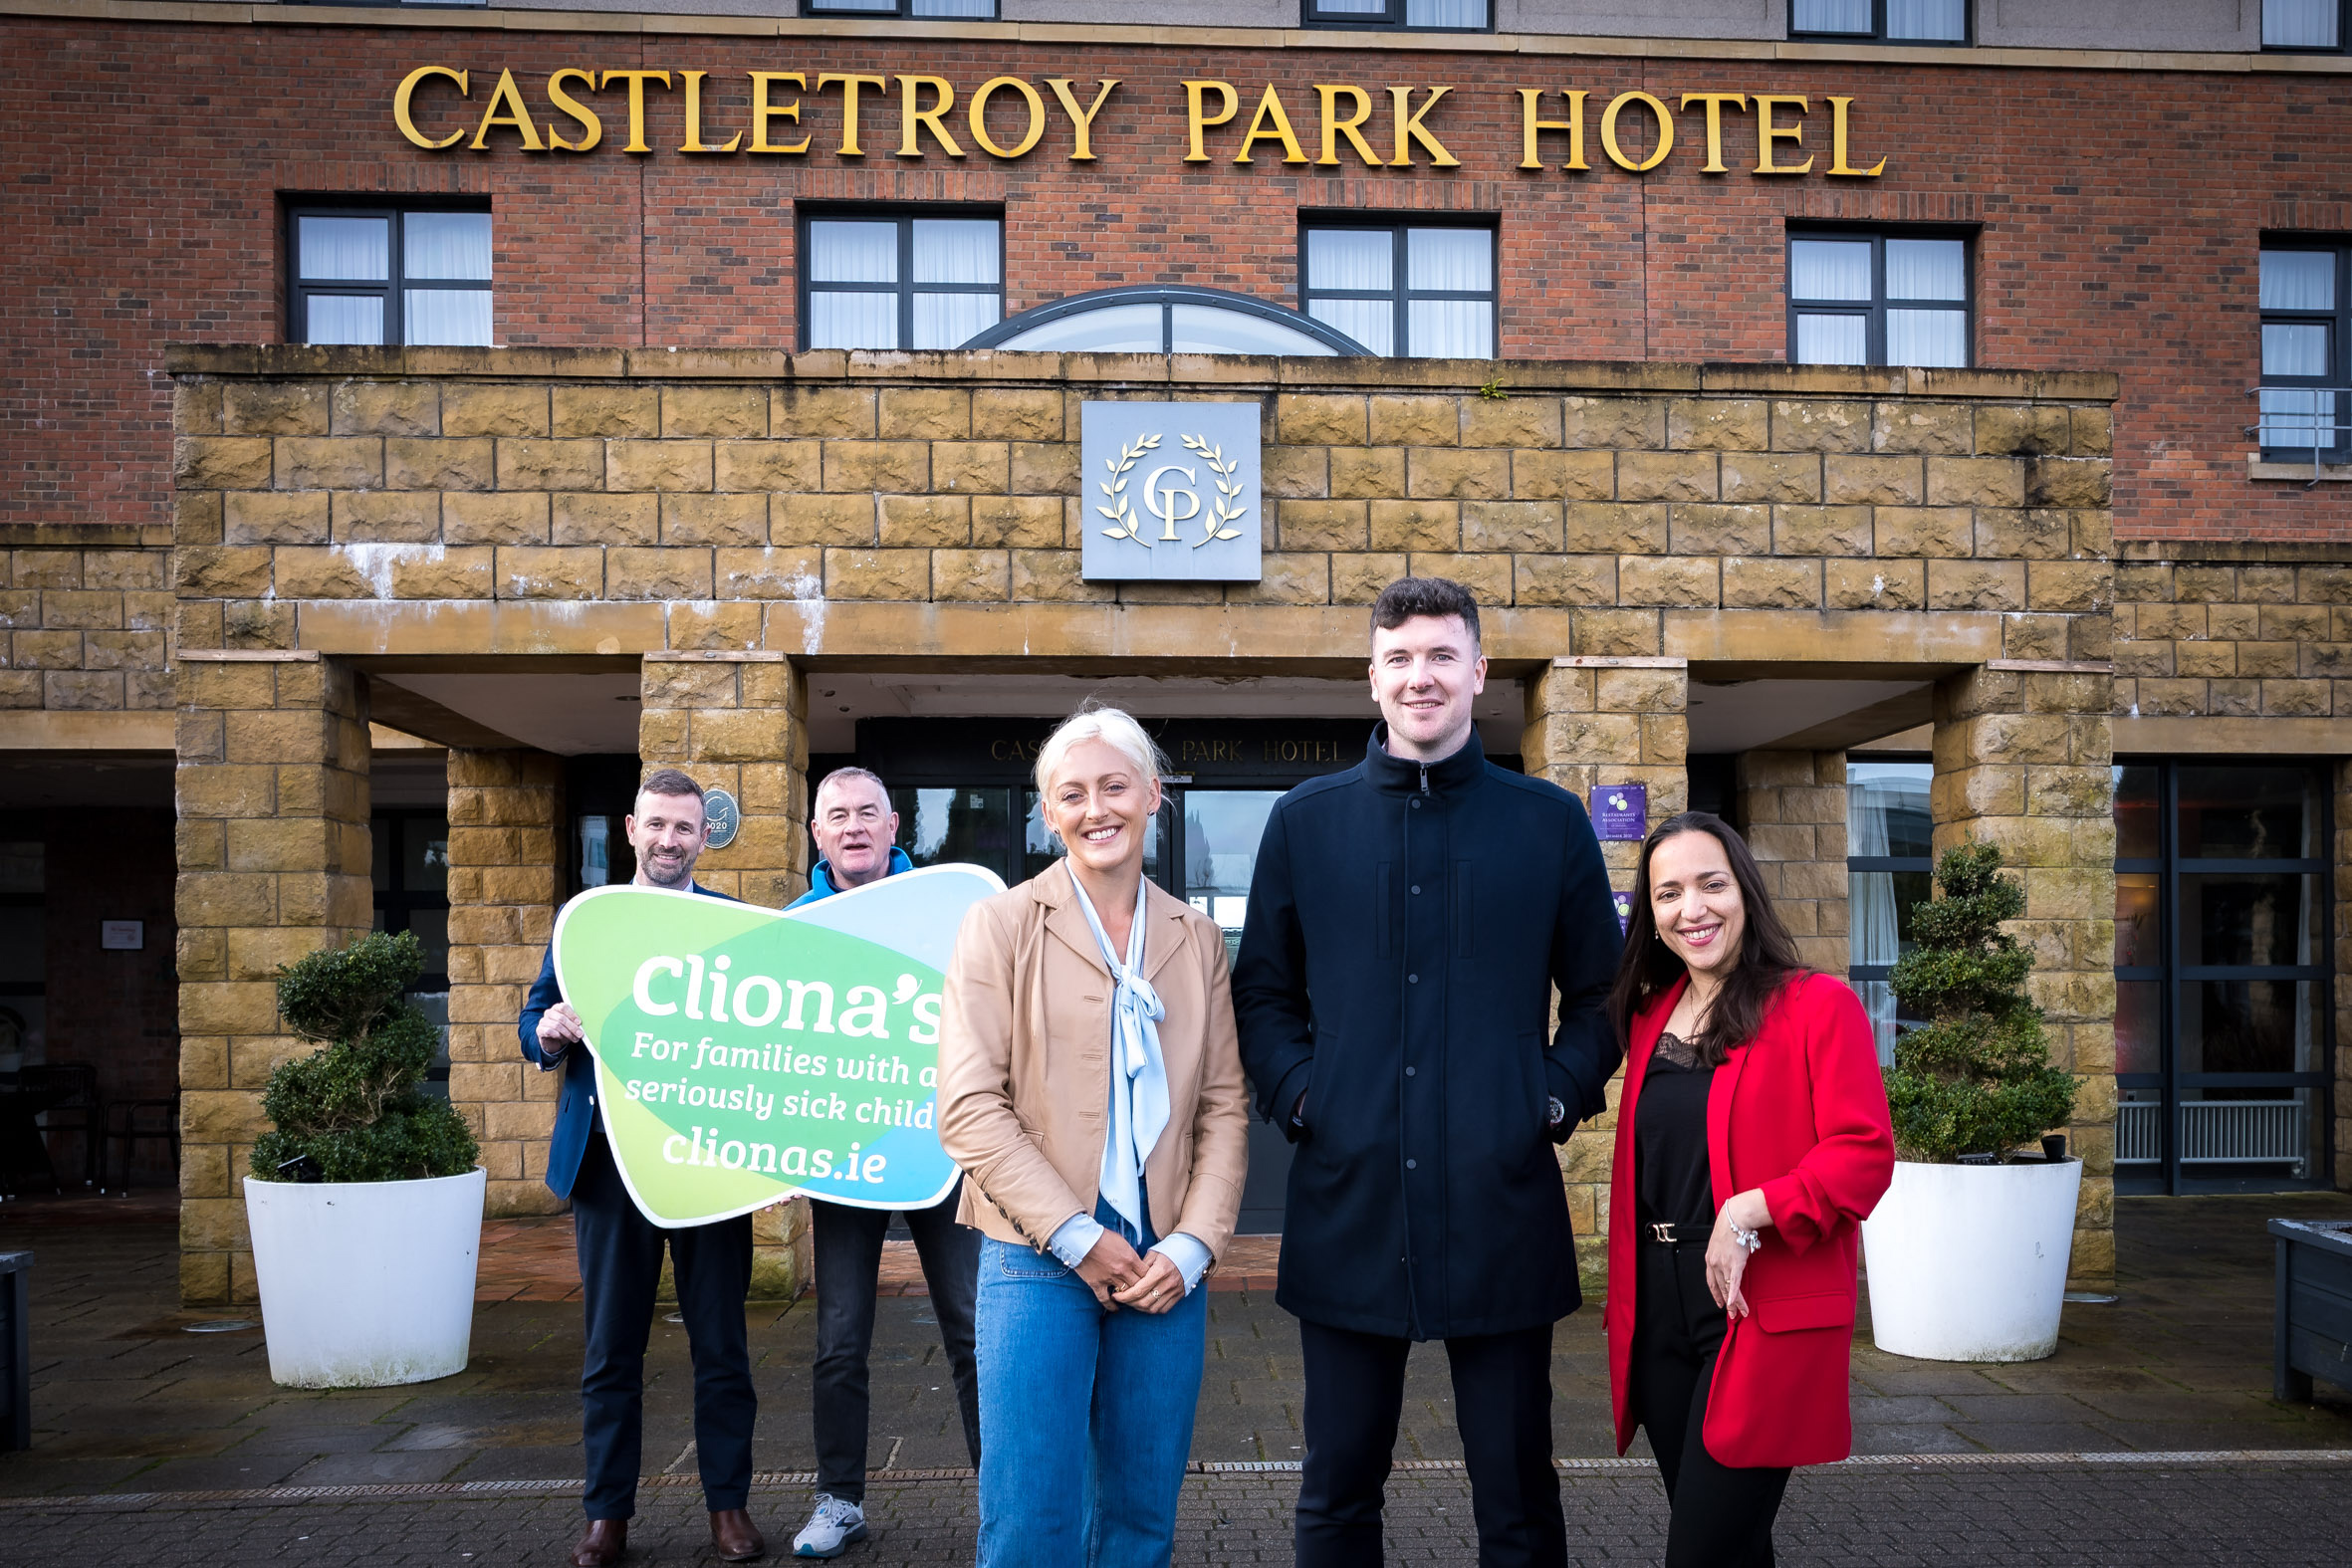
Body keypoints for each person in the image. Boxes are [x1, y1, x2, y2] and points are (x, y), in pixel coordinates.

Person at [1232, 575, 1623, 1568]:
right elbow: (1261, 996)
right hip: (1349, 1203)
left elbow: (1602, 999)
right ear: (1371, 677)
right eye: (1400, 658)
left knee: (1519, 1500)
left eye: (1442, 656)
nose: (1421, 676)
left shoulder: (1548, 822)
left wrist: (1549, 1095)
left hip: (1499, 1208)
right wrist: (1307, 1096)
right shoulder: (1304, 822)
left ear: (1478, 673)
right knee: (1335, 1496)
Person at [936, 706, 1251, 1568]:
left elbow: (1223, 1104)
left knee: (1141, 1521)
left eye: (1115, 785)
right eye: (1071, 793)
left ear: (1155, 794)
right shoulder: (1000, 925)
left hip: (1163, 1265)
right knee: (1030, 1521)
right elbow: (968, 1108)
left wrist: (1192, 1246)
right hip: (1035, 1254)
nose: (1094, 808)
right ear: (1048, 811)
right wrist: (1078, 1237)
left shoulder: (1195, 937)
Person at [1603, 811, 1895, 1567]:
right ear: (1652, 914)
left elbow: (1864, 1155)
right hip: (1659, 1315)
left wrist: (1752, 1207)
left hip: (1756, 1308)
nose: (1691, 908)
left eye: (1710, 884)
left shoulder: (1815, 1004)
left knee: (1699, 1551)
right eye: (1668, 893)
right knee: (1735, 1547)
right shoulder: (1648, 1017)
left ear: (1745, 890)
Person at [519, 769, 767, 1568]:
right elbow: (533, 1018)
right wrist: (549, 1029)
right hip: (608, 1169)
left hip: (707, 1168)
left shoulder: (734, 925)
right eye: (656, 824)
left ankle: (728, 1509)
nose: (669, 840)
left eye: (684, 828)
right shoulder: (586, 920)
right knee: (609, 1351)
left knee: (723, 1347)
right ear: (631, 827)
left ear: (704, 835)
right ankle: (607, 1516)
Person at [784, 767, 982, 1561]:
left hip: (941, 1151)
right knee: (838, 1338)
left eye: (869, 811)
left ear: (894, 825)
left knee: (973, 1327)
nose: (855, 825)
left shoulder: (947, 913)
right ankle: (839, 1500)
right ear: (817, 832)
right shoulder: (789, 929)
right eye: (839, 814)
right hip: (845, 1161)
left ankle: (1007, 1494)